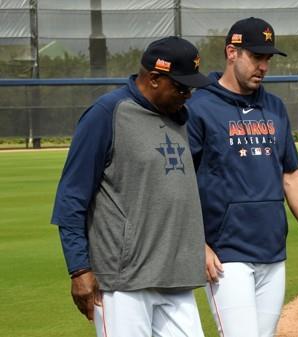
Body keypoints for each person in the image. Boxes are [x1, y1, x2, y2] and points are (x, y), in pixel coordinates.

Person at [186, 17, 298, 337]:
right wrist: (196, 243)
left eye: (268, 58)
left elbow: (291, 176)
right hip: (226, 254)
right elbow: (179, 181)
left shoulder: (274, 107)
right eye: (256, 57)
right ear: (232, 52)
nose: (264, 66)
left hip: (272, 251)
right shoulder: (199, 107)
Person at [51, 36, 212, 337]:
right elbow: (71, 197)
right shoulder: (107, 114)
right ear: (153, 78)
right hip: (122, 284)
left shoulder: (180, 118)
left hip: (177, 277)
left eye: (191, 87)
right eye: (181, 87)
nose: (188, 95)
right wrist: (79, 269)